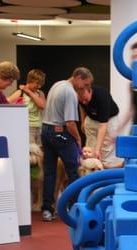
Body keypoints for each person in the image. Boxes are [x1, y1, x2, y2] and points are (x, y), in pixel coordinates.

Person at [40, 67, 93, 222]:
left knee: (50, 172)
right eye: (85, 84)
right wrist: (78, 139)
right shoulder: (70, 92)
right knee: (74, 171)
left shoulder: (57, 85)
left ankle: (47, 210)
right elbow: (70, 123)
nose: (84, 88)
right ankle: (74, 208)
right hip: (60, 133)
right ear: (78, 78)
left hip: (46, 130)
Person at [79, 85, 124, 168]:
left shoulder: (102, 96)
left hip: (109, 120)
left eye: (86, 100)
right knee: (90, 151)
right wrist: (83, 121)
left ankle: (107, 174)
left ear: (90, 92)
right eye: (82, 100)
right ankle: (91, 173)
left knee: (107, 150)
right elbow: (81, 106)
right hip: (91, 119)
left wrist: (98, 149)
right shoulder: (80, 95)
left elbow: (103, 125)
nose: (84, 102)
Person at [9, 69, 46, 146]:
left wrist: (29, 92)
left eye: (40, 84)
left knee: (40, 152)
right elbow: (7, 104)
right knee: (31, 153)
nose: (39, 86)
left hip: (39, 127)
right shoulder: (19, 93)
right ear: (30, 80)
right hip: (27, 127)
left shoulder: (40, 93)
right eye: (37, 83)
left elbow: (42, 106)